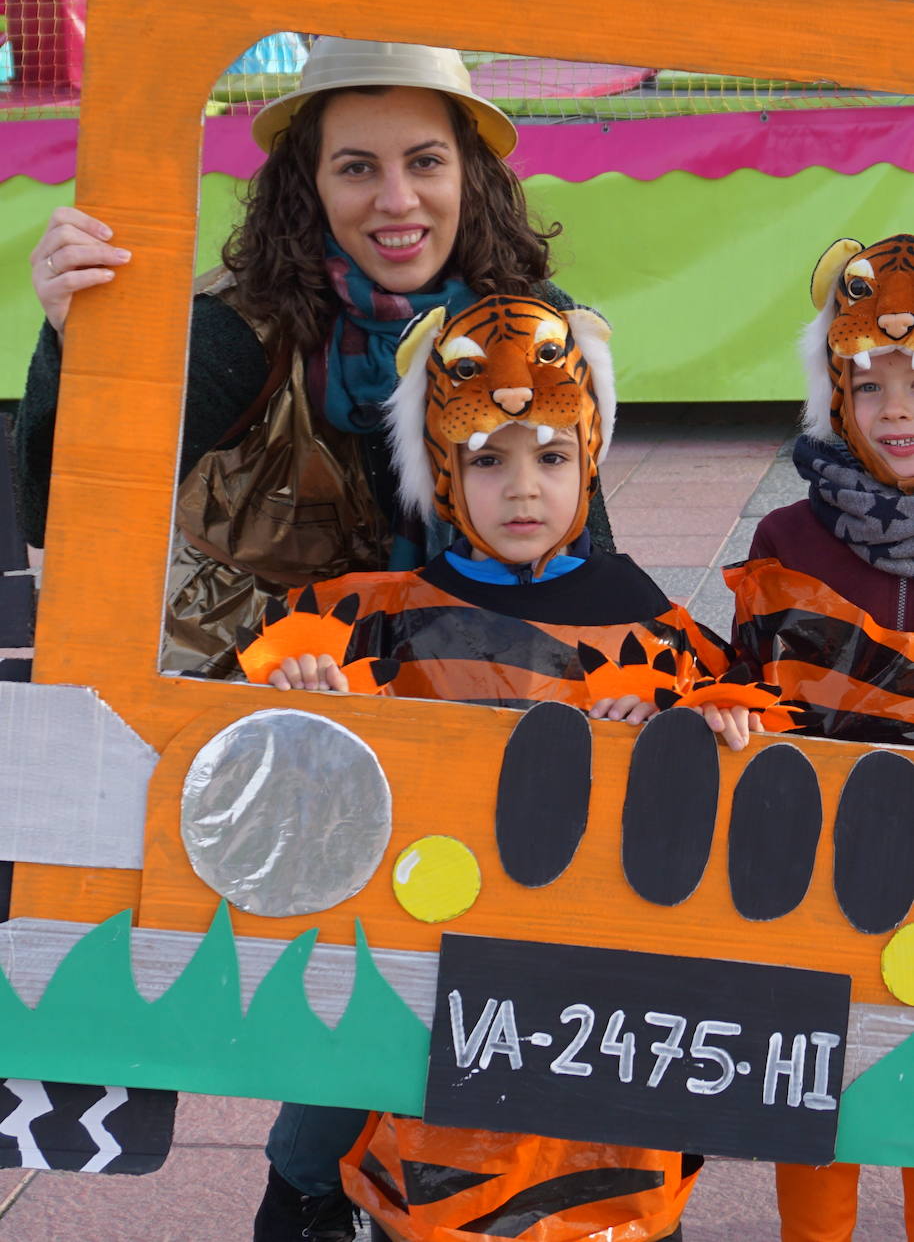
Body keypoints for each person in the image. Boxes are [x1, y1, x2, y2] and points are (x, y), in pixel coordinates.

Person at [242, 292, 772, 1242]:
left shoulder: (650, 622)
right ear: (444, 470)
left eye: (553, 457)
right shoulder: (378, 617)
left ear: (591, 458)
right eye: (488, 459)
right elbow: (267, 767)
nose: (524, 490)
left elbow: (741, 751)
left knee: (608, 1189)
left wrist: (693, 725)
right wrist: (309, 701)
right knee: (410, 1183)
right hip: (425, 985)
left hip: (594, 1003)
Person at [16, 37, 614, 680]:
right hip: (252, 680)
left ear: (468, 173)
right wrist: (77, 349)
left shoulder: (530, 319)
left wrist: (628, 683)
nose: (397, 200)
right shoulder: (238, 331)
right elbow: (63, 516)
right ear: (312, 186)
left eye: (425, 162)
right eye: (357, 168)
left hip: (468, 669)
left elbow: (585, 546)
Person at [726, 232, 914, 1240]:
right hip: (815, 876)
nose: (894, 411)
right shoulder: (782, 542)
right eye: (868, 381)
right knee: (820, 1098)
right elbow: (746, 688)